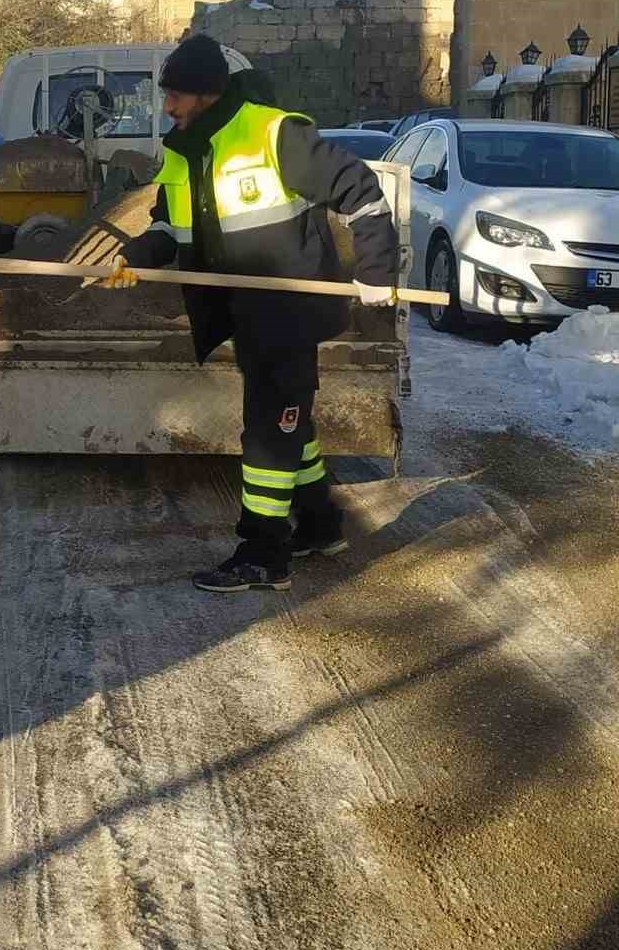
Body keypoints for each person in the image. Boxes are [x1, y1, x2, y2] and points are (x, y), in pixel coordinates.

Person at [89, 34, 397, 592]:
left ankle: (263, 553)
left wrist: (375, 273)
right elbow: (166, 226)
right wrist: (132, 256)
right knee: (288, 423)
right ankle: (322, 525)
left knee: (266, 435)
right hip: (243, 309)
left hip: (290, 307)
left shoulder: (274, 133)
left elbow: (360, 189)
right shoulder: (184, 150)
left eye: (176, 96)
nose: (167, 107)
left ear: (206, 93)